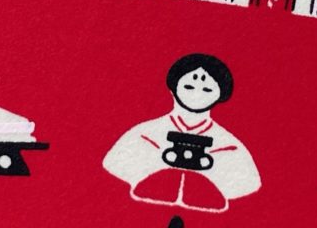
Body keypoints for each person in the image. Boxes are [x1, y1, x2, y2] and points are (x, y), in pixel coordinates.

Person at [103, 54, 260, 214]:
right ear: (174, 87)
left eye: (207, 89)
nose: (197, 94)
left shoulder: (230, 147)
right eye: (189, 87)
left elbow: (246, 183)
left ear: (220, 95)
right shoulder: (144, 135)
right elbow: (115, 166)